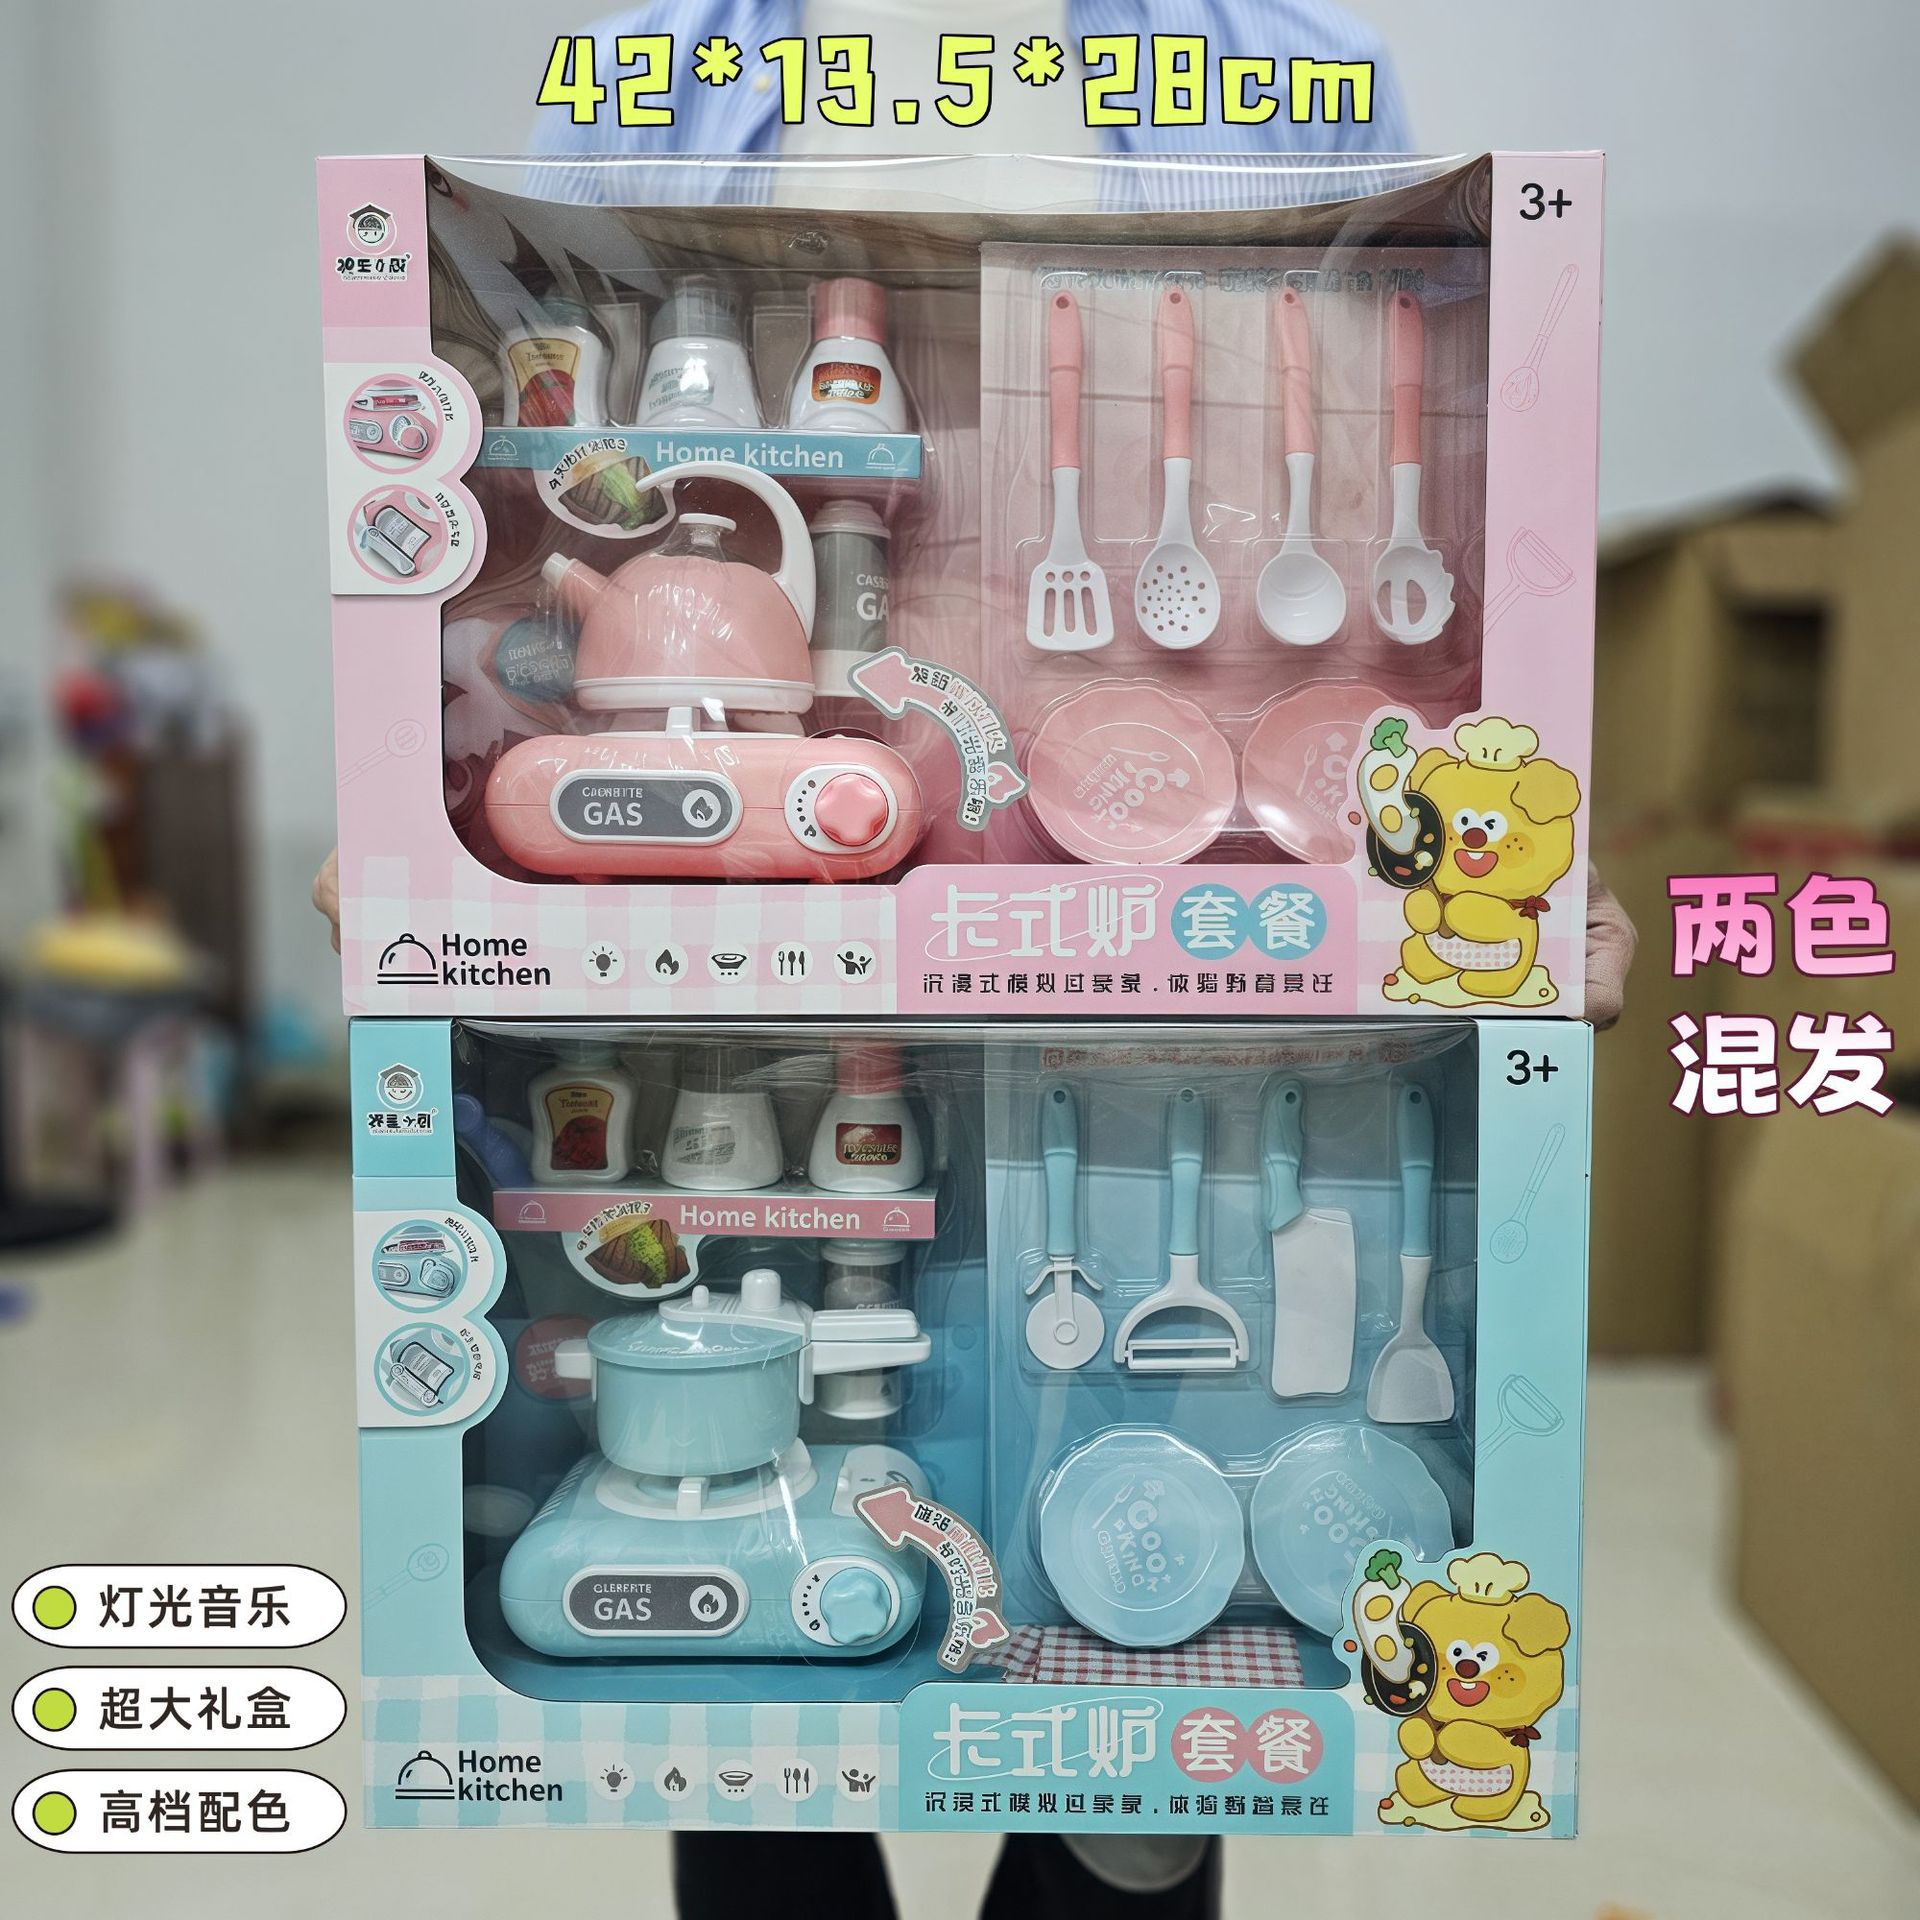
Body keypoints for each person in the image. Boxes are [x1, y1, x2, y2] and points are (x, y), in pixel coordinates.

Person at [313, 8, 1634, 1908]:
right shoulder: (698, 65)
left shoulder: (1255, 68)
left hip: (1188, 983)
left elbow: (1479, 639)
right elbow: (535, 544)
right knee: (756, 1744)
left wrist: (1520, 896)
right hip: (759, 974)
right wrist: (427, 822)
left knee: (1133, 1772)